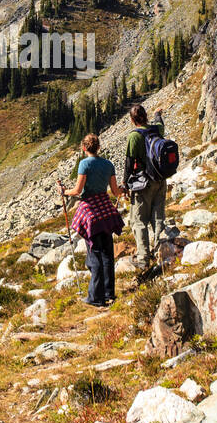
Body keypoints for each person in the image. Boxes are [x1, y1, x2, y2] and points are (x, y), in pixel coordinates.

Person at [60, 133, 124, 307]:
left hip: (92, 213)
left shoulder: (84, 164)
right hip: (106, 210)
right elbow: (116, 191)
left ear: (84, 148)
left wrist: (64, 191)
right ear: (99, 147)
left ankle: (96, 297)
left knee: (94, 253)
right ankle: (109, 292)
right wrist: (123, 189)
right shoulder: (108, 164)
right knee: (107, 253)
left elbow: (78, 190)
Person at [124, 104, 167, 281]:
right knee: (158, 216)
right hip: (160, 180)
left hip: (143, 183)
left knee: (139, 220)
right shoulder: (156, 130)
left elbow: (129, 161)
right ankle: (160, 250)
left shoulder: (134, 136)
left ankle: (143, 257)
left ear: (132, 120)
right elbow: (160, 123)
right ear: (145, 116)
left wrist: (125, 183)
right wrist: (157, 114)